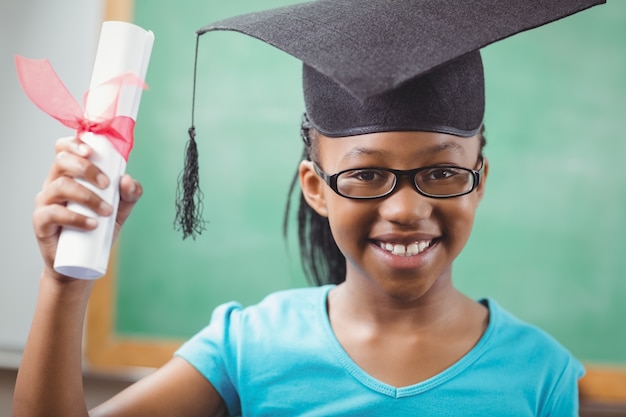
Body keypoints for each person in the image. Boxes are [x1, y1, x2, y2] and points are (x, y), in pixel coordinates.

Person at [13, 0, 605, 416]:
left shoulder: (540, 374)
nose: (404, 208)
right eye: (367, 174)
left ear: (478, 180)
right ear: (315, 186)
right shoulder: (247, 347)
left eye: (442, 172)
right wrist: (64, 286)